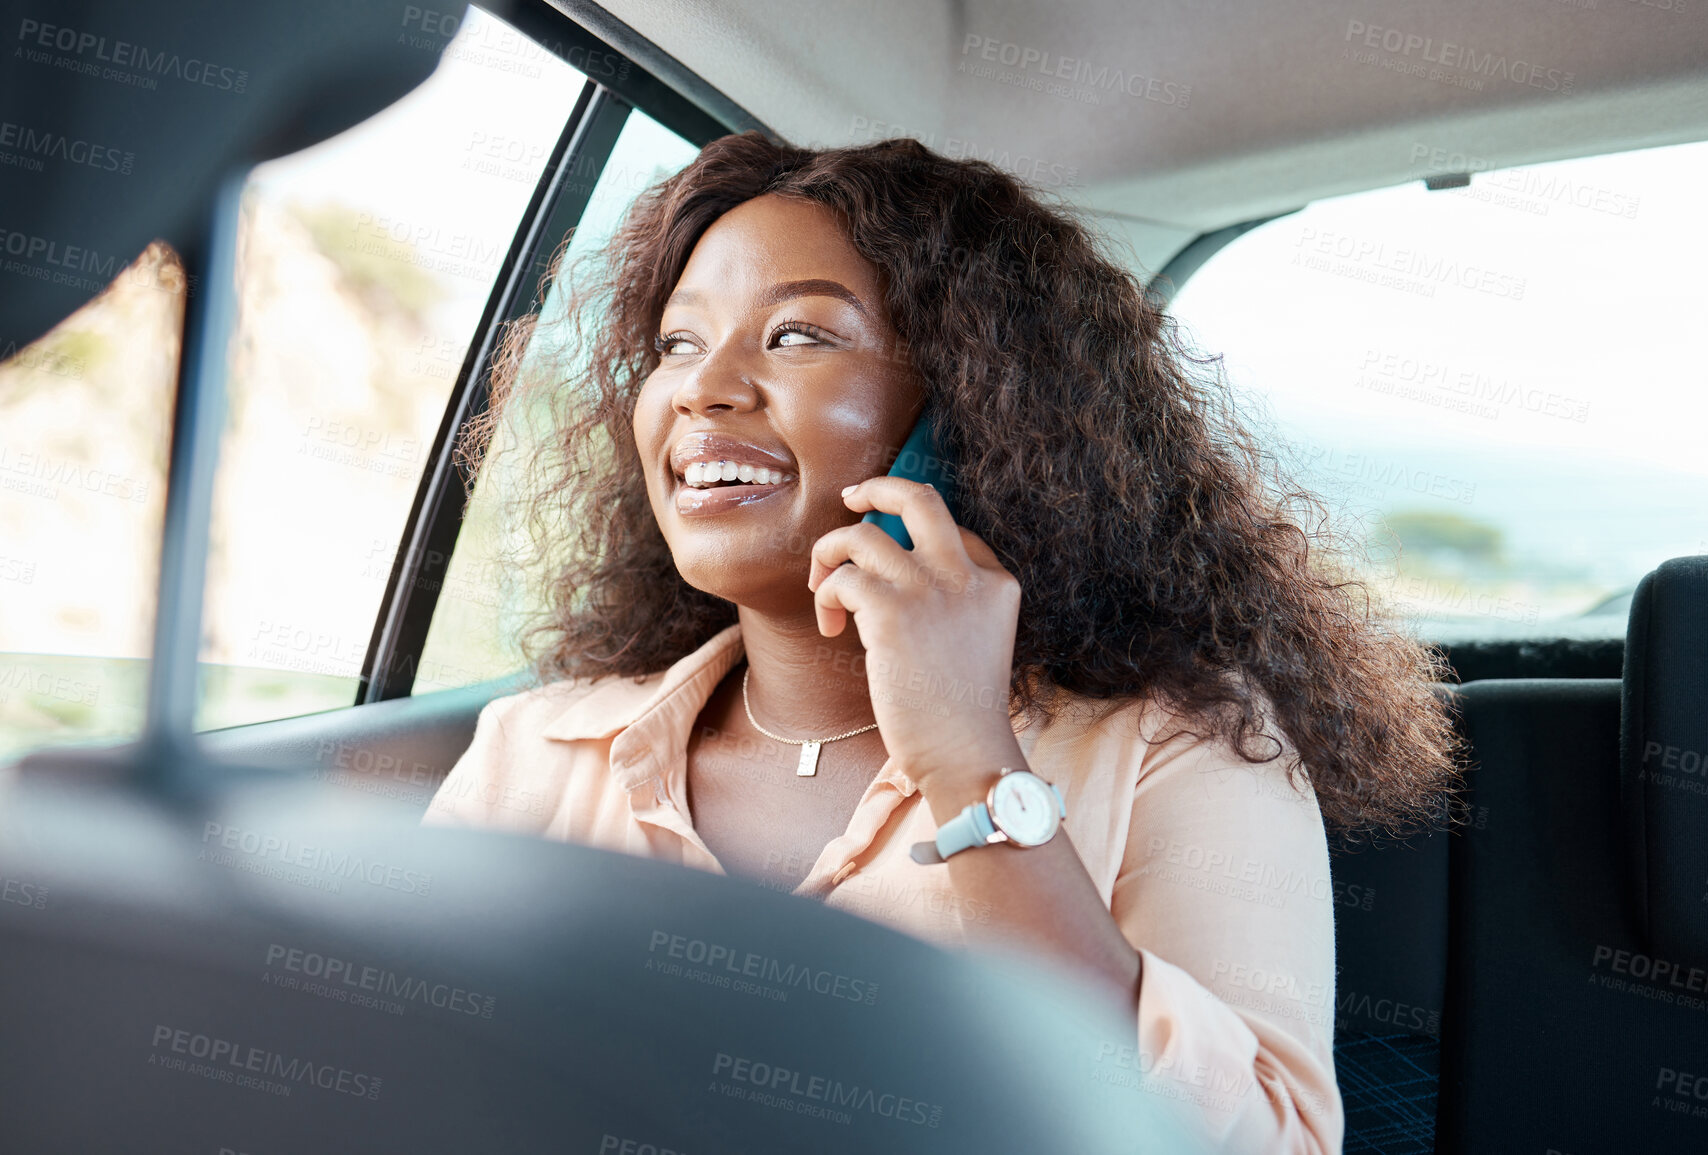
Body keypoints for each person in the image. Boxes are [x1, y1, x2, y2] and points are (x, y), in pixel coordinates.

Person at [424, 132, 1458, 1153]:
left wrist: (971, 763)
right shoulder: (533, 752)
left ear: (973, 415)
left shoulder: (1178, 749)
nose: (704, 387)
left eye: (797, 337)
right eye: (677, 344)